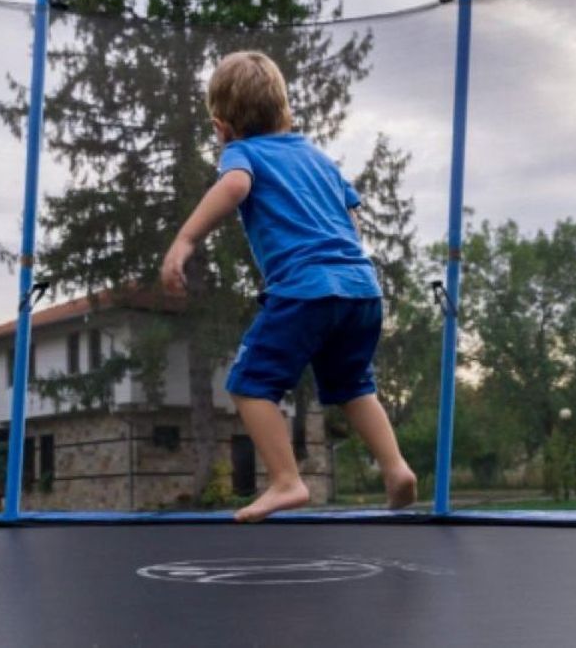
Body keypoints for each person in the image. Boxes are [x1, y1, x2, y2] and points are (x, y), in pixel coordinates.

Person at [160, 50, 417, 522]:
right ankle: (396, 468)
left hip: (305, 289)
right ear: (285, 109)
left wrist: (185, 239)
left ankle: (285, 481)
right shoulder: (319, 158)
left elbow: (235, 186)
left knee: (250, 383)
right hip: (362, 289)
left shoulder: (243, 152)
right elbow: (352, 218)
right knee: (355, 386)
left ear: (222, 126)